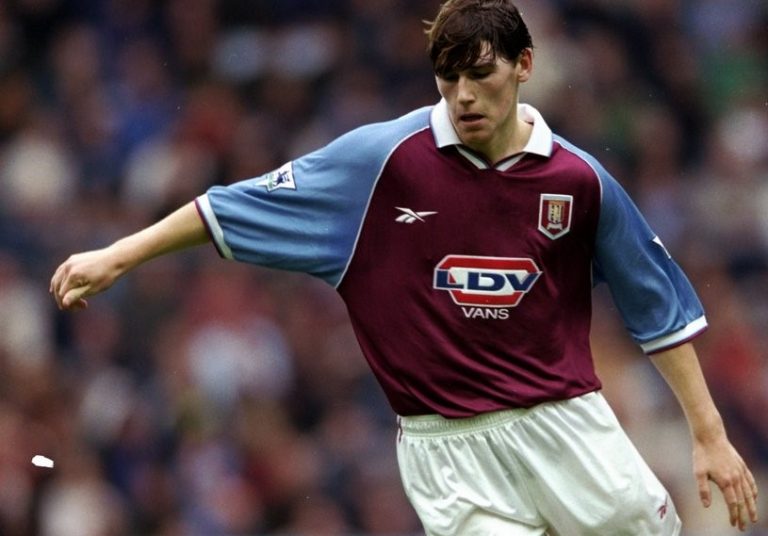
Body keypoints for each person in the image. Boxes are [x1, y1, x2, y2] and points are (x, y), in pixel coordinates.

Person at [50, 0, 759, 533]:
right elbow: (226, 207)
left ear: (524, 65)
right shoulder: (377, 162)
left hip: (568, 428)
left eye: (480, 74)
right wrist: (119, 255)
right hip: (447, 453)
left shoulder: (579, 181)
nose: (464, 96)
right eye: (449, 78)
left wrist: (709, 435)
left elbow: (657, 308)